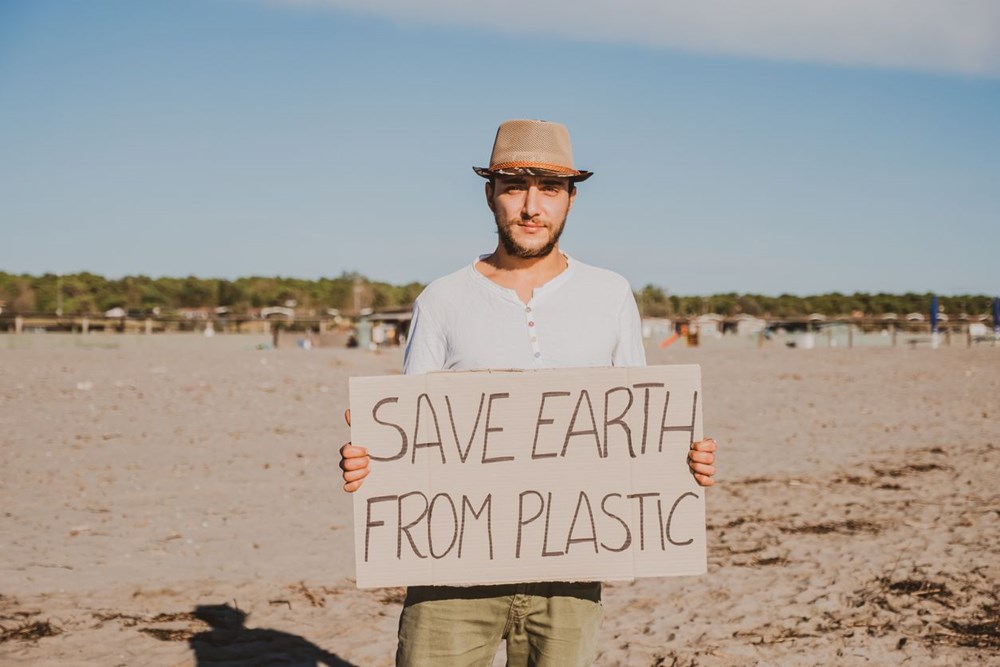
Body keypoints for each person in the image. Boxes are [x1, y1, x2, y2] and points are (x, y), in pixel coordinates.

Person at [339, 119, 718, 666]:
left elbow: (640, 425)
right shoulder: (442, 299)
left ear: (570, 198)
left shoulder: (610, 295)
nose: (531, 207)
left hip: (570, 573)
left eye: (550, 188)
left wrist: (685, 460)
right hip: (453, 572)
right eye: (515, 186)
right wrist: (369, 462)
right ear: (490, 193)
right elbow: (412, 441)